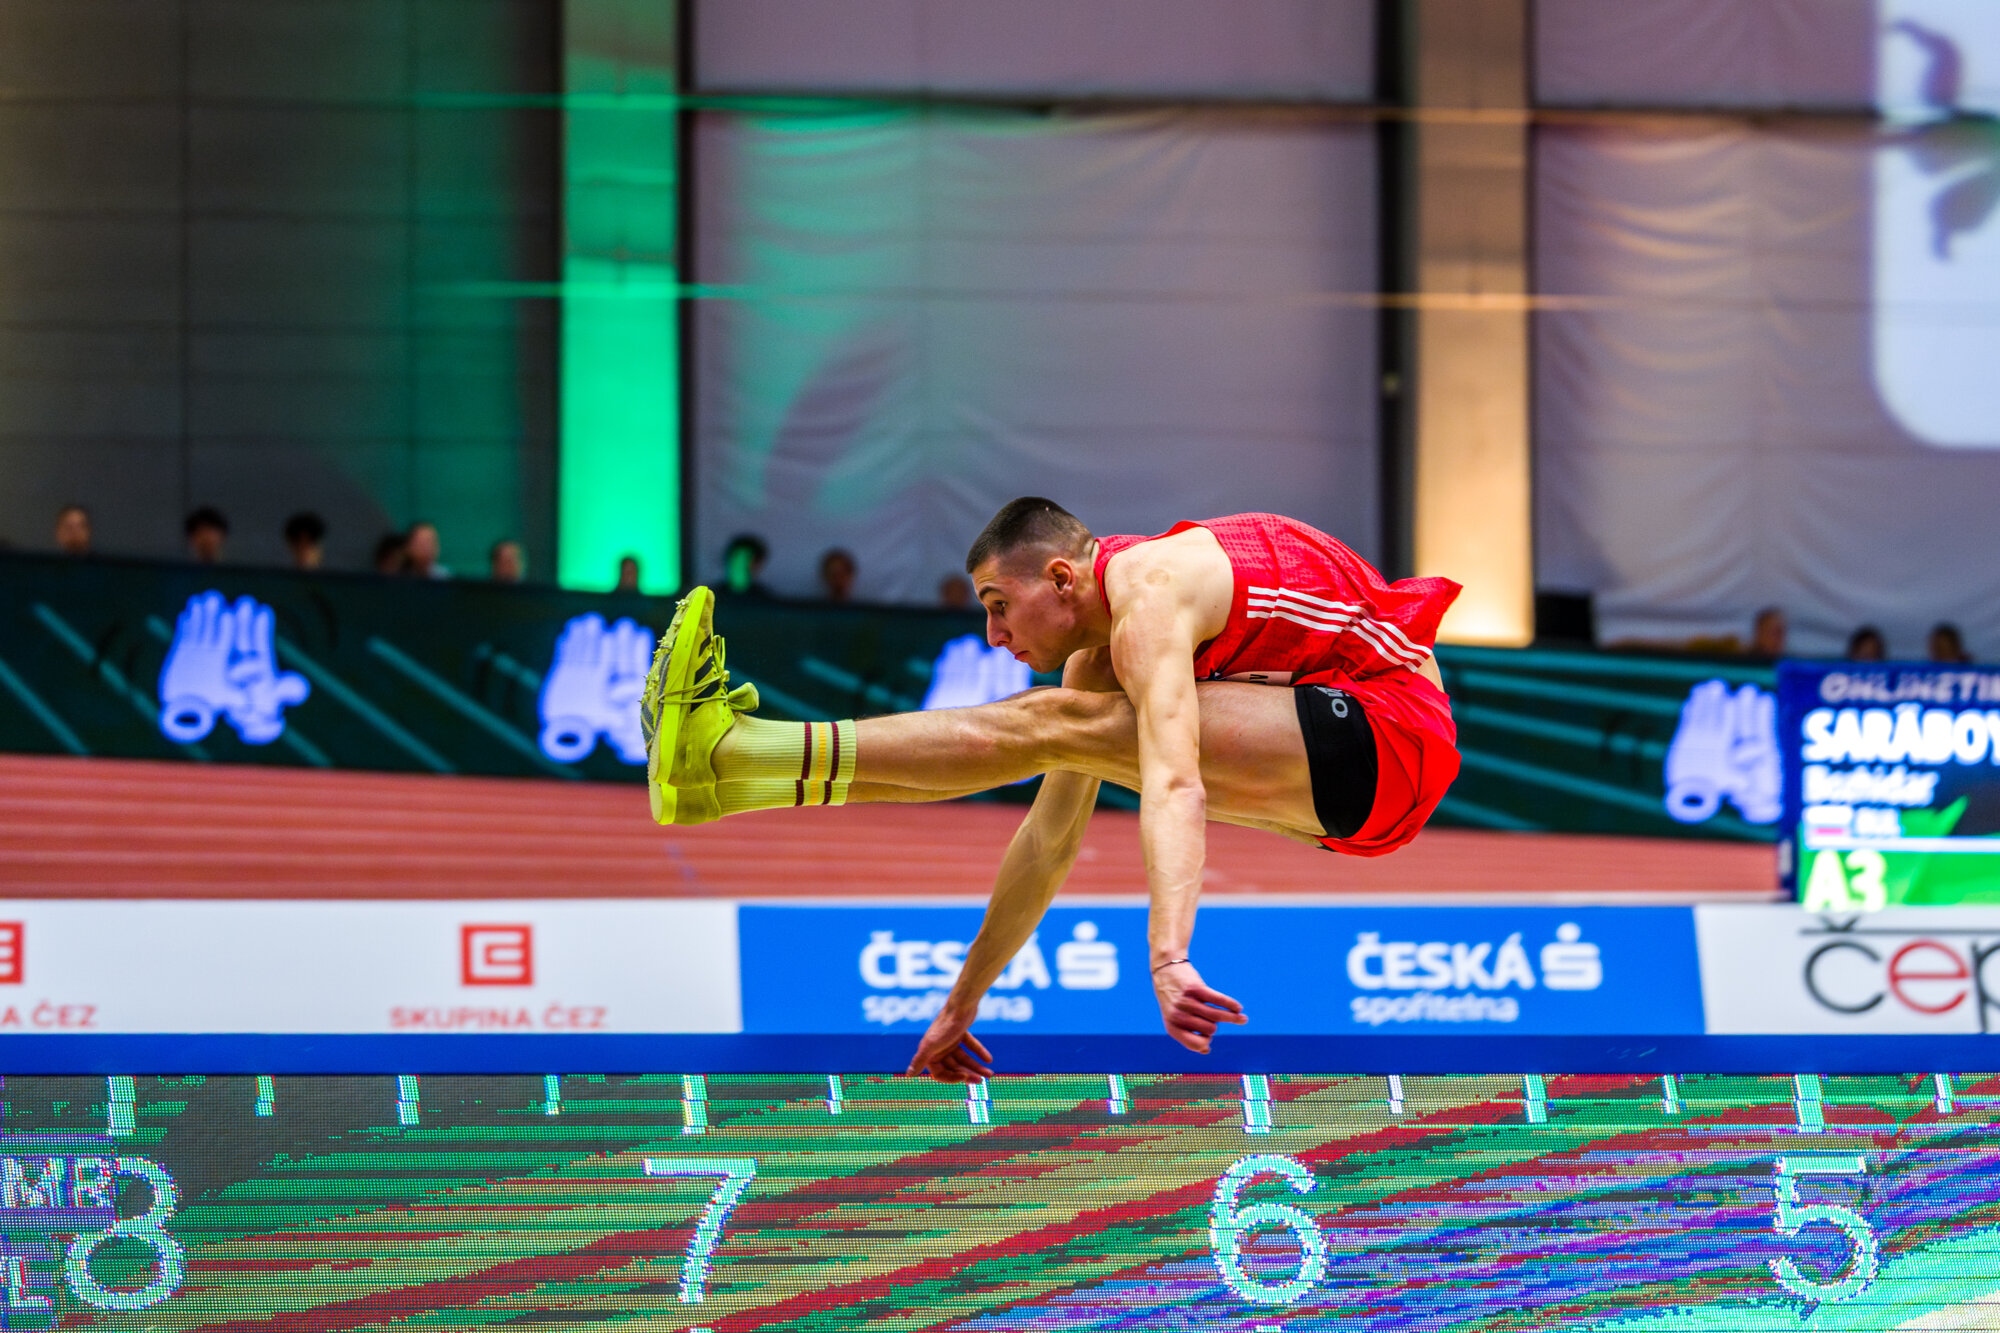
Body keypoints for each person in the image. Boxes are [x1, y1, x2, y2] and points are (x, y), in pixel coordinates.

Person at [641, 500, 1462, 1079]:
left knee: (1053, 722)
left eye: (1001, 605)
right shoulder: (1100, 655)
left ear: (1062, 579)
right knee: (1057, 724)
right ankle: (729, 780)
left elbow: (1176, 782)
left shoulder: (1152, 597)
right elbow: (1047, 842)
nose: (994, 633)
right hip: (1353, 778)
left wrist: (1169, 955)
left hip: (1395, 731)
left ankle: (734, 748)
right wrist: (961, 1002)